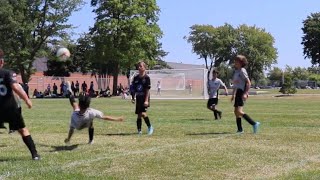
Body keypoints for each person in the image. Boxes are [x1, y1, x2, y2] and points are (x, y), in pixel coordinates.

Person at [0, 49, 40, 160]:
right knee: (23, 130)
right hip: (10, 107)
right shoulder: (7, 73)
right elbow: (16, 87)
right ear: (2, 62)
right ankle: (35, 155)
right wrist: (27, 100)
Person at [231, 55, 260, 134]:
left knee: (239, 111)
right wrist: (233, 94)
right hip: (238, 92)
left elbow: (248, 82)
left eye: (236, 61)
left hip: (241, 92)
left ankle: (254, 123)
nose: (235, 62)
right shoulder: (237, 71)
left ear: (241, 62)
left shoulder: (242, 70)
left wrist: (246, 93)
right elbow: (235, 84)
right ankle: (240, 130)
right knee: (236, 112)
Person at [131, 61, 154, 135]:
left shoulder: (147, 78)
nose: (139, 67)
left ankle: (150, 127)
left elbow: (147, 90)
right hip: (138, 97)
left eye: (141, 66)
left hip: (144, 98)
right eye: (138, 66)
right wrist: (133, 97)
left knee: (143, 113)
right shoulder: (136, 78)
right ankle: (139, 131)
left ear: (144, 68)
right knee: (139, 114)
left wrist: (146, 100)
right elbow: (133, 88)